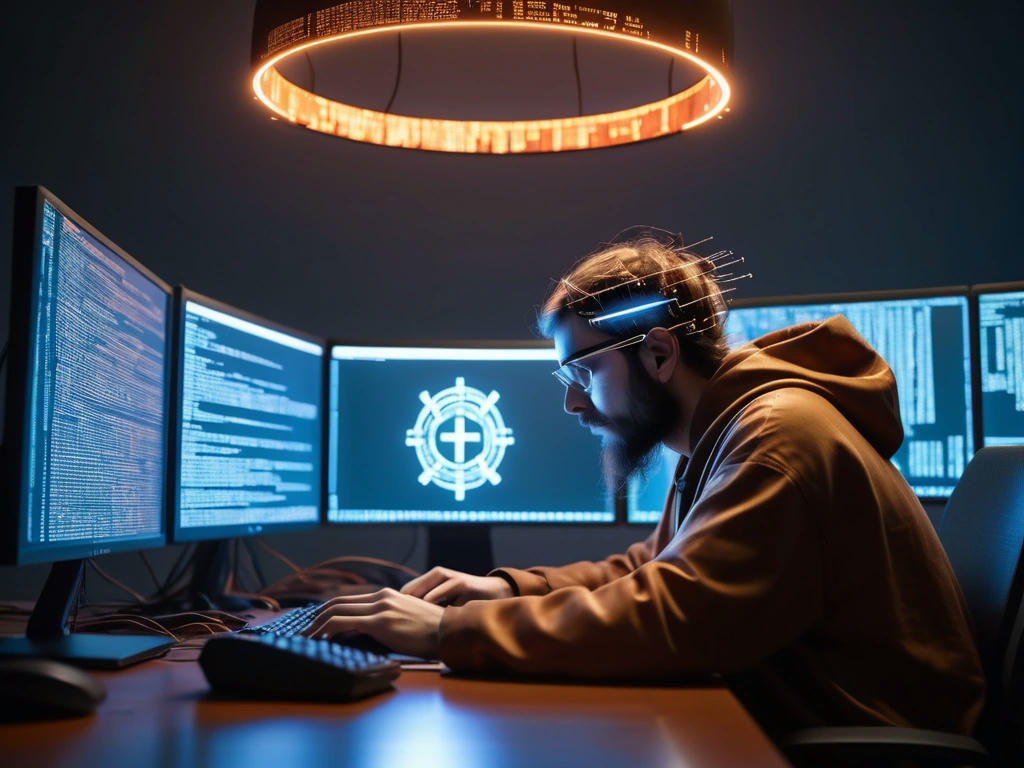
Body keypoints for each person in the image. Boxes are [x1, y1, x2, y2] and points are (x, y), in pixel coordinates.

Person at [305, 233, 985, 736]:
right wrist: (506, 589)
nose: (574, 404)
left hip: (867, 748)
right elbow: (654, 570)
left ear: (659, 353)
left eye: (582, 373)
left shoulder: (777, 440)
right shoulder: (730, 431)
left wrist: (449, 630)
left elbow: (673, 615)